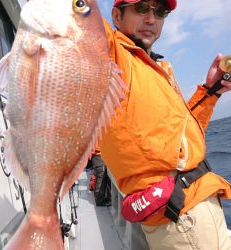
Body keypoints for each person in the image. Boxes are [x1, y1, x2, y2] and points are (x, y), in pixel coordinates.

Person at [98, 0, 231, 249]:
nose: (151, 18)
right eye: (140, 8)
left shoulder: (158, 68)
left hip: (200, 204)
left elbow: (182, 133)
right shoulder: (110, 55)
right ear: (116, 15)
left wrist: (211, 91)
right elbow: (69, 13)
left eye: (160, 12)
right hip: (181, 220)